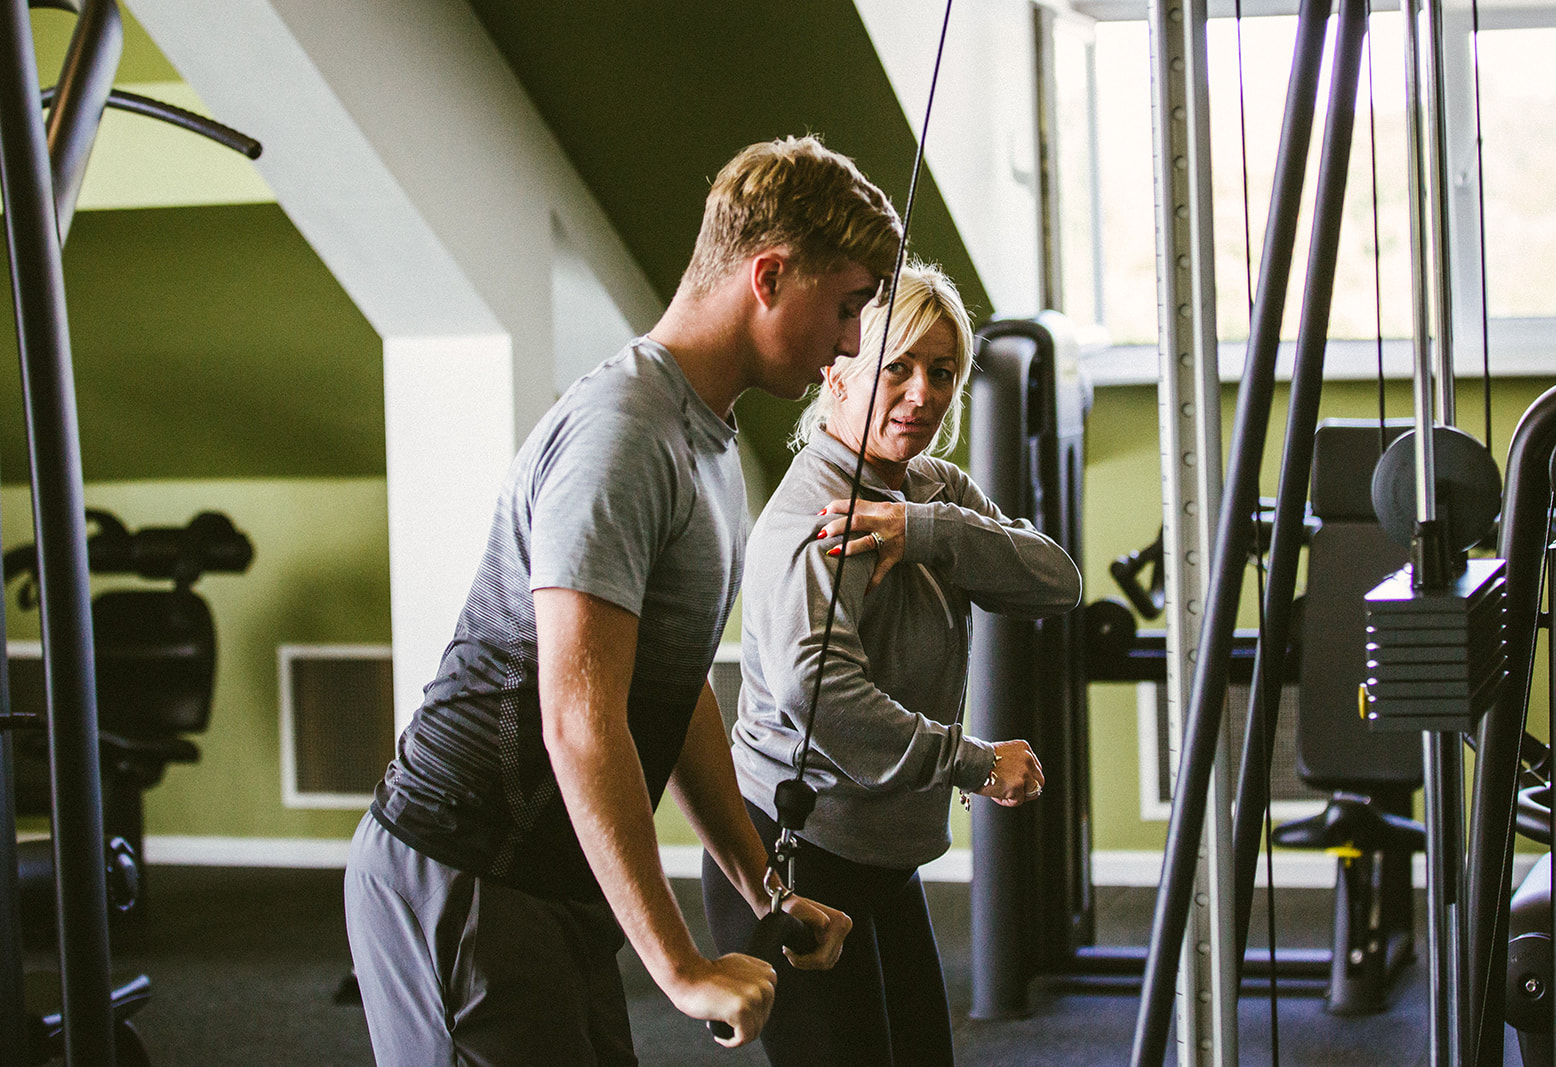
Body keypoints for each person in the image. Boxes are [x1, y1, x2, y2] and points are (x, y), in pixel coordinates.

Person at [345, 135, 906, 1066]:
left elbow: (671, 688)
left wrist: (764, 888)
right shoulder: (624, 434)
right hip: (465, 869)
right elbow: (580, 717)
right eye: (847, 306)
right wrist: (680, 966)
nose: (851, 342)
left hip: (555, 880)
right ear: (769, 276)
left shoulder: (707, 441)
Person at [702, 261, 1082, 1067]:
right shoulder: (816, 521)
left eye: (941, 372)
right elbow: (822, 692)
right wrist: (975, 763)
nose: (921, 394)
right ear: (835, 370)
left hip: (881, 857)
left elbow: (1056, 581)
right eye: (897, 366)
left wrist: (924, 529)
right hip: (794, 855)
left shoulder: (932, 491)